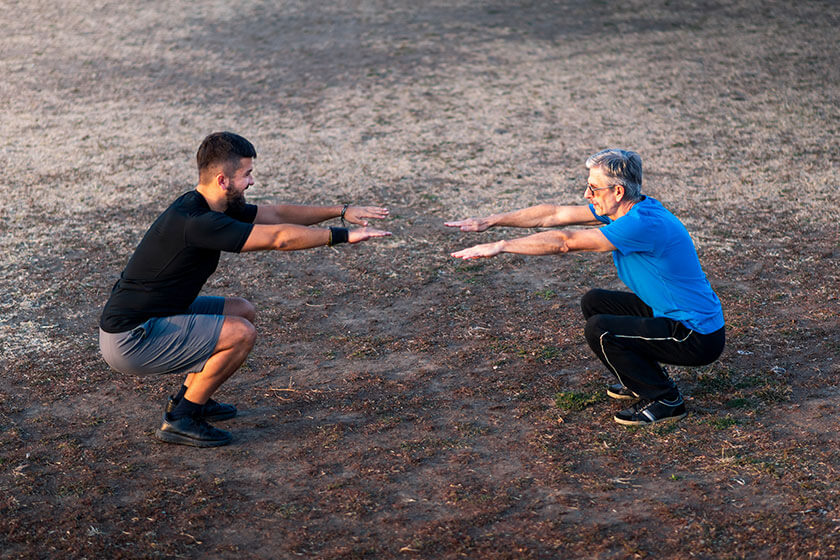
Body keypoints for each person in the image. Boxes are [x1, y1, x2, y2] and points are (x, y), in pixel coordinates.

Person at [99, 131, 391, 447]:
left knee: (242, 310)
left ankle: (191, 396)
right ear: (223, 180)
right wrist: (343, 236)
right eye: (247, 175)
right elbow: (278, 237)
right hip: (131, 338)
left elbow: (276, 214)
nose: (251, 182)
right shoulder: (198, 221)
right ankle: (181, 419)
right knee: (240, 332)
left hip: (160, 315)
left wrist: (342, 211)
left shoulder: (210, 203)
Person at [446, 148, 724, 426]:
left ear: (617, 191)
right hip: (669, 312)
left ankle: (666, 399)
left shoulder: (641, 224)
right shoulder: (630, 208)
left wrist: (502, 246)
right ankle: (643, 379)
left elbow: (564, 241)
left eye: (593, 188)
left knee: (601, 330)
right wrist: (492, 221)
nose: (586, 194)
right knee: (595, 302)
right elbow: (553, 215)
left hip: (695, 334)